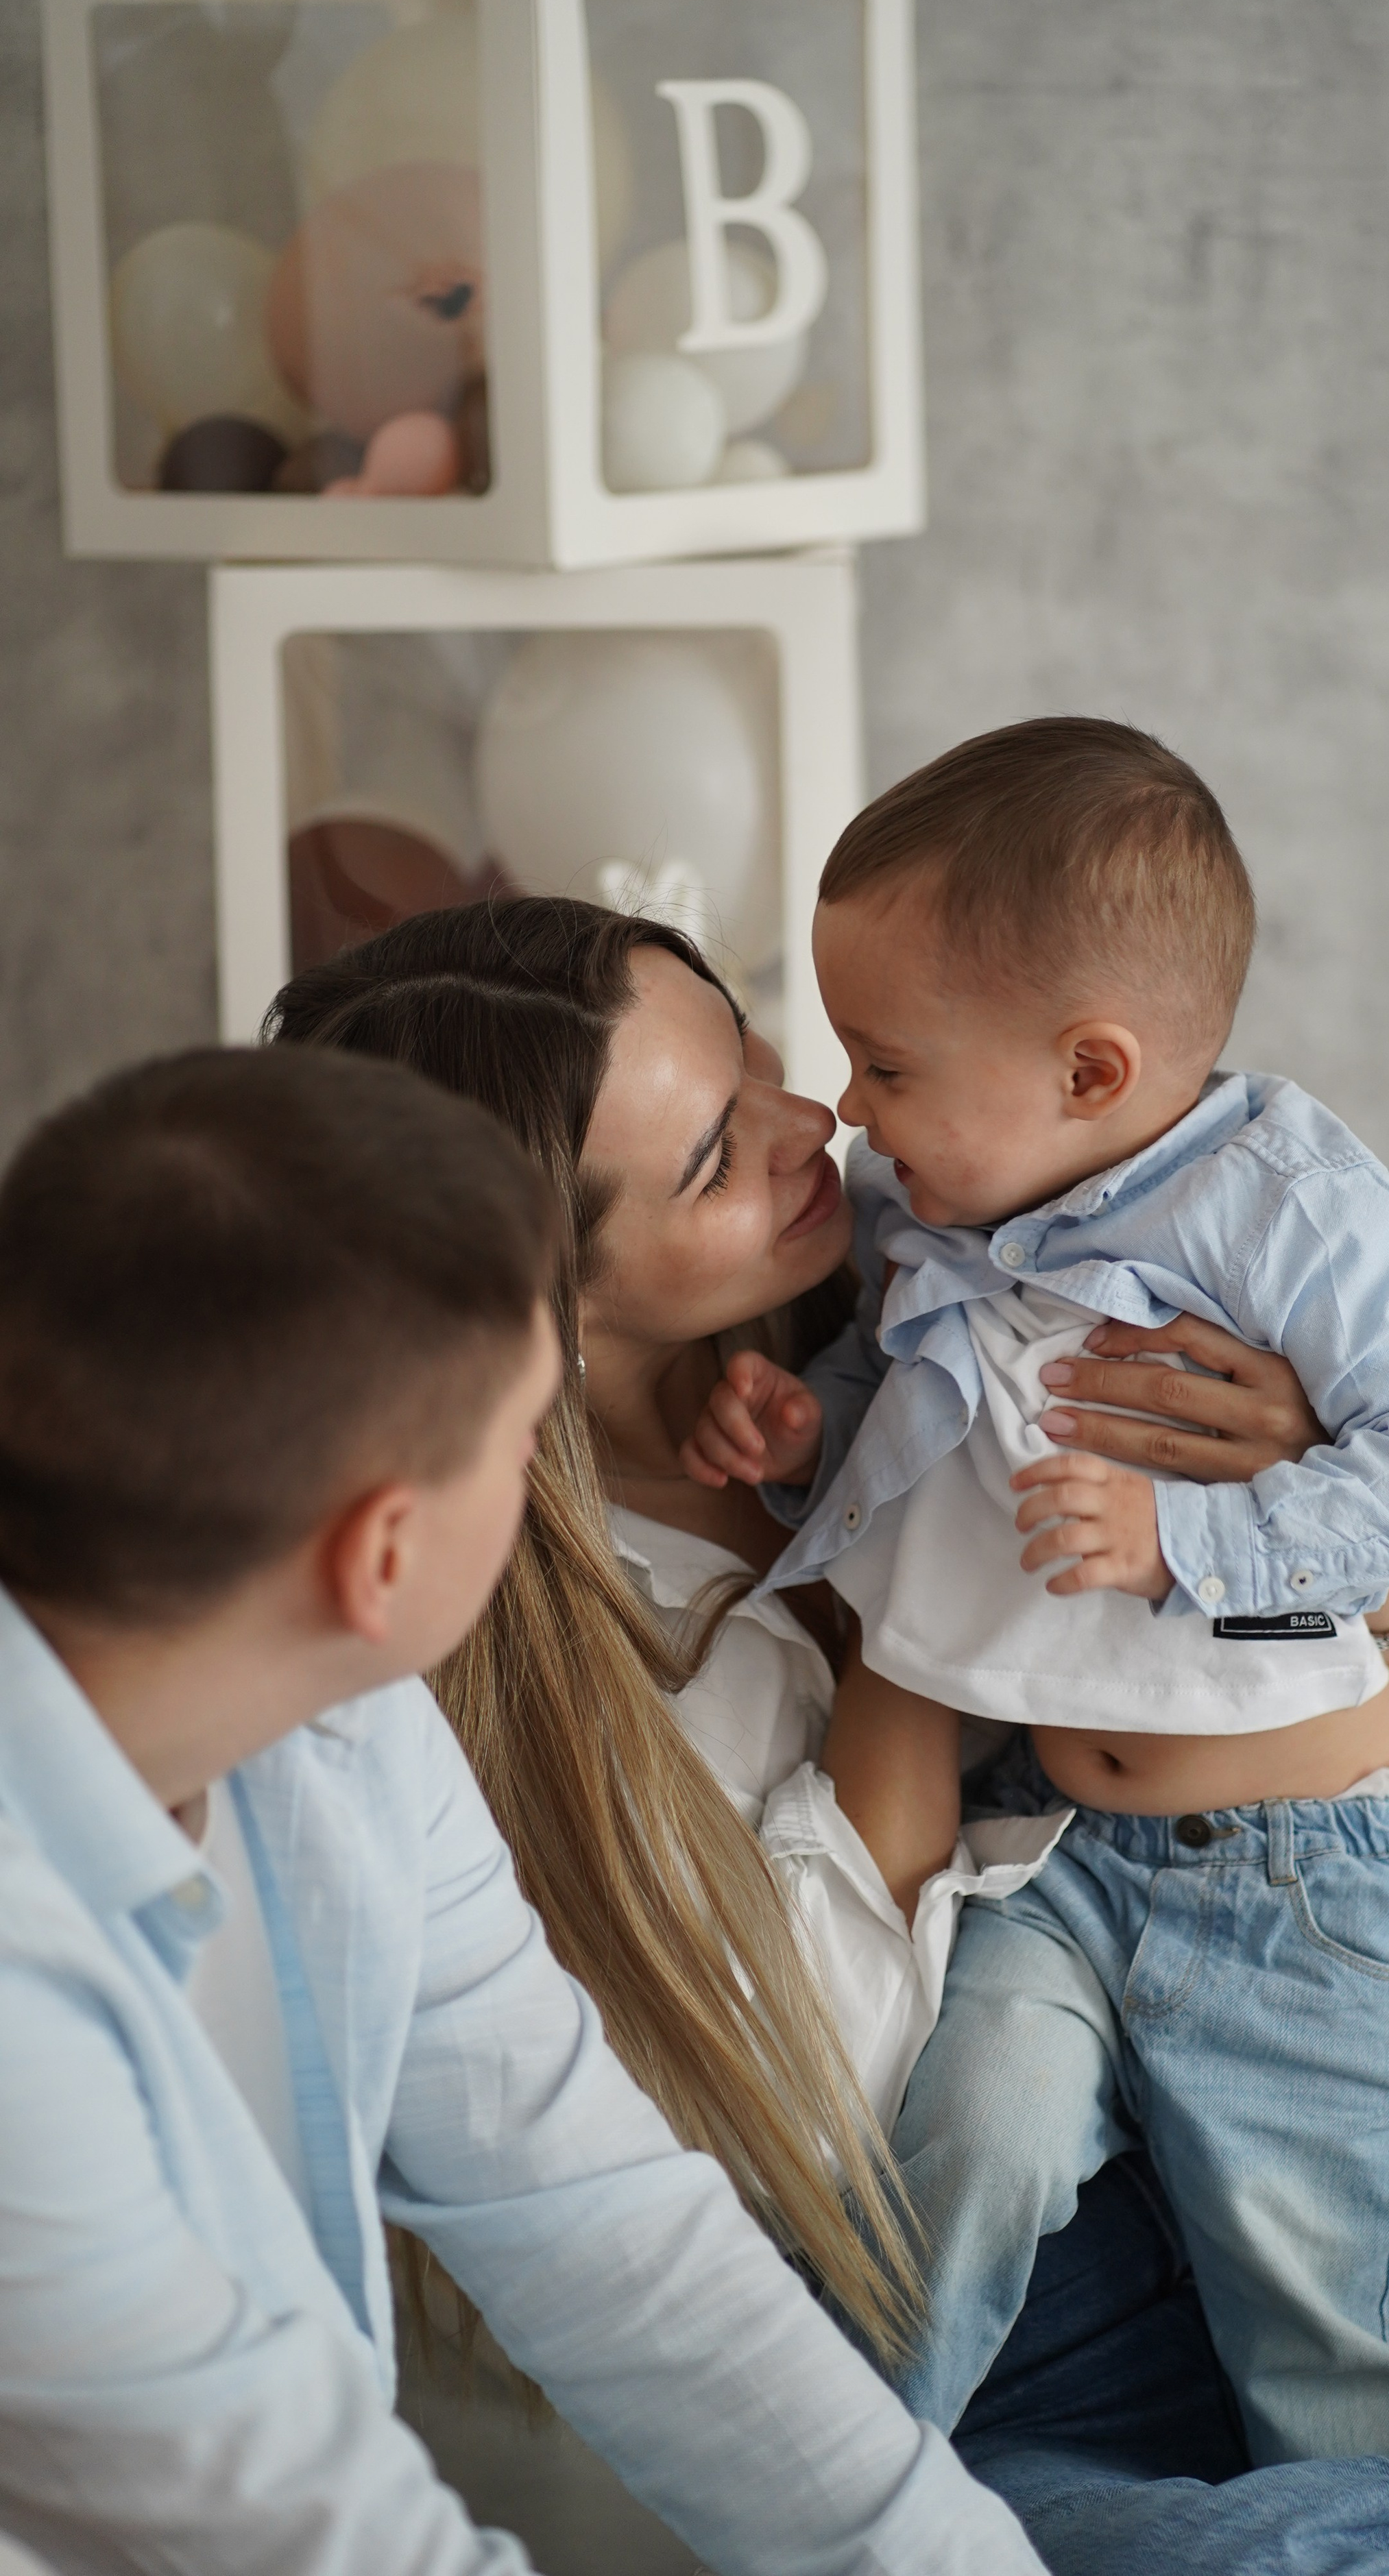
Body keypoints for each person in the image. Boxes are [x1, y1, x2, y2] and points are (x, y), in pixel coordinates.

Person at [271, 897, 1389, 2576]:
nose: (815, 1117)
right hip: (983, 2321)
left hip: (1289, 2060)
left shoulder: (952, 1252)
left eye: (756, 1057)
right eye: (710, 1161)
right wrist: (924, 1588)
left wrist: (1350, 1531)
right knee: (1326, 2557)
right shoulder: (506, 1676)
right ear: (542, 1305)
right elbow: (806, 2104)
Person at [0, 1045, 1053, 2576]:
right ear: (380, 1559)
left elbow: (602, 2222)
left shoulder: (343, 1728)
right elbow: (311, 2538)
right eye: (518, 1448)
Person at [695, 718, 1389, 2496]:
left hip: (1300, 1877)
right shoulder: (937, 1203)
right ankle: (850, 2506)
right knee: (957, 2173)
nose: (845, 1107)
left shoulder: (1293, 1216)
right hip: (1047, 1858)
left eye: (885, 1063)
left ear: (1091, 1068)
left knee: (1334, 2328)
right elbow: (928, 1435)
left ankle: (1373, 2534)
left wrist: (1190, 1541)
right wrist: (799, 1438)